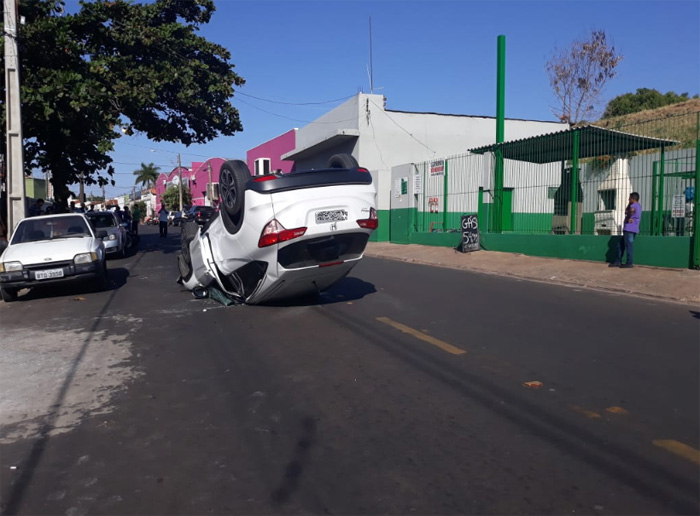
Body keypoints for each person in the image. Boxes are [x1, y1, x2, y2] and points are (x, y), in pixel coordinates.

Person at [610, 192, 642, 269]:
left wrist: (629, 215)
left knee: (628, 246)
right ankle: (618, 261)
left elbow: (631, 210)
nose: (628, 199)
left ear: (633, 199)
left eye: (630, 198)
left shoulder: (633, 206)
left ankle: (629, 263)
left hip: (629, 228)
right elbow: (628, 210)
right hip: (633, 228)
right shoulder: (638, 205)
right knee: (621, 244)